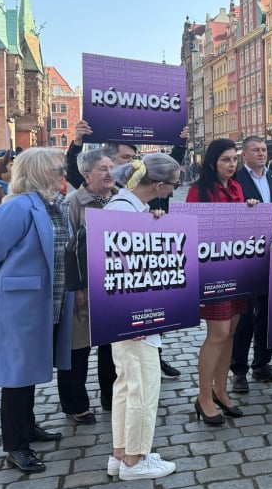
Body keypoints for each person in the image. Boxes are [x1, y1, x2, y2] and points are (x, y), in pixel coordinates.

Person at [0, 148, 75, 474]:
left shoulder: (54, 205)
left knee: (31, 366)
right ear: (35, 171)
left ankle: (28, 426)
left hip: (49, 299)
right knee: (17, 375)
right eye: (54, 168)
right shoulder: (17, 206)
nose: (60, 173)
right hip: (19, 302)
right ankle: (16, 446)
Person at [64, 120, 183, 378]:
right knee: (94, 351)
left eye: (133, 158)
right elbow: (113, 266)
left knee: (121, 367)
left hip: (129, 304)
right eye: (124, 158)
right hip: (104, 292)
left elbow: (164, 174)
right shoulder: (117, 205)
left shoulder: (127, 198)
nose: (128, 163)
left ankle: (111, 393)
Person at [105, 153, 181, 480]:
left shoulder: (125, 207)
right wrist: (133, 317)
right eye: (173, 185)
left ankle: (121, 454)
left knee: (126, 386)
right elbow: (121, 269)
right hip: (134, 316)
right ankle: (136, 461)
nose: (173, 191)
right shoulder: (124, 212)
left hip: (129, 315)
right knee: (143, 388)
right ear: (160, 185)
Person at [186, 138, 252, 425]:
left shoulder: (237, 187)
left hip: (237, 268)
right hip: (212, 272)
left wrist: (253, 211)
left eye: (234, 159)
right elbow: (188, 229)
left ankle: (221, 391)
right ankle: (203, 397)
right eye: (226, 159)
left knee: (231, 332)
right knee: (217, 333)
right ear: (213, 162)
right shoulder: (198, 191)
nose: (231, 164)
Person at [230, 136, 272, 393]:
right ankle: (238, 369)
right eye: (255, 150)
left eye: (264, 149)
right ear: (244, 155)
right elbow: (231, 215)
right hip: (247, 255)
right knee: (244, 315)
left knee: (269, 313)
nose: (261, 153)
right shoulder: (236, 181)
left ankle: (262, 362)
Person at [61, 149, 116, 420]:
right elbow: (66, 249)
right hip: (84, 286)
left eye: (111, 168)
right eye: (103, 169)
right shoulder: (73, 202)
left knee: (112, 345)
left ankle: (111, 395)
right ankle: (75, 404)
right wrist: (76, 288)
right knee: (78, 348)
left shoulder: (121, 199)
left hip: (115, 285)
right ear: (86, 175)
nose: (109, 173)